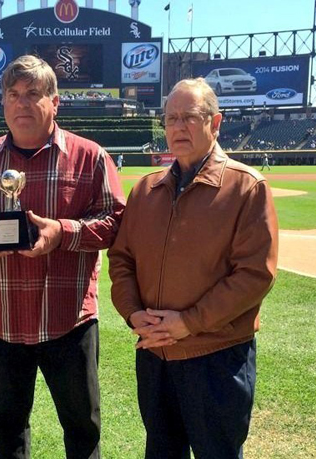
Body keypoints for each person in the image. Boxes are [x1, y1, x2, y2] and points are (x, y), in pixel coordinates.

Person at [0, 55, 125, 459]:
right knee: (6, 430)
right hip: (5, 320)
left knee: (82, 428)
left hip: (69, 320)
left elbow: (116, 222)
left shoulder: (90, 156)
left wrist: (63, 232)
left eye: (34, 94)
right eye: (14, 94)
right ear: (4, 104)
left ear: (54, 102)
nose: (22, 103)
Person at [107, 78, 278, 458]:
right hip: (155, 356)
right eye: (170, 119)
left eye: (190, 117)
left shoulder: (246, 187)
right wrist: (134, 315)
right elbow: (121, 259)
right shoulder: (145, 190)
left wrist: (189, 322)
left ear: (215, 123)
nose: (178, 127)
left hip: (216, 357)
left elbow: (255, 274)